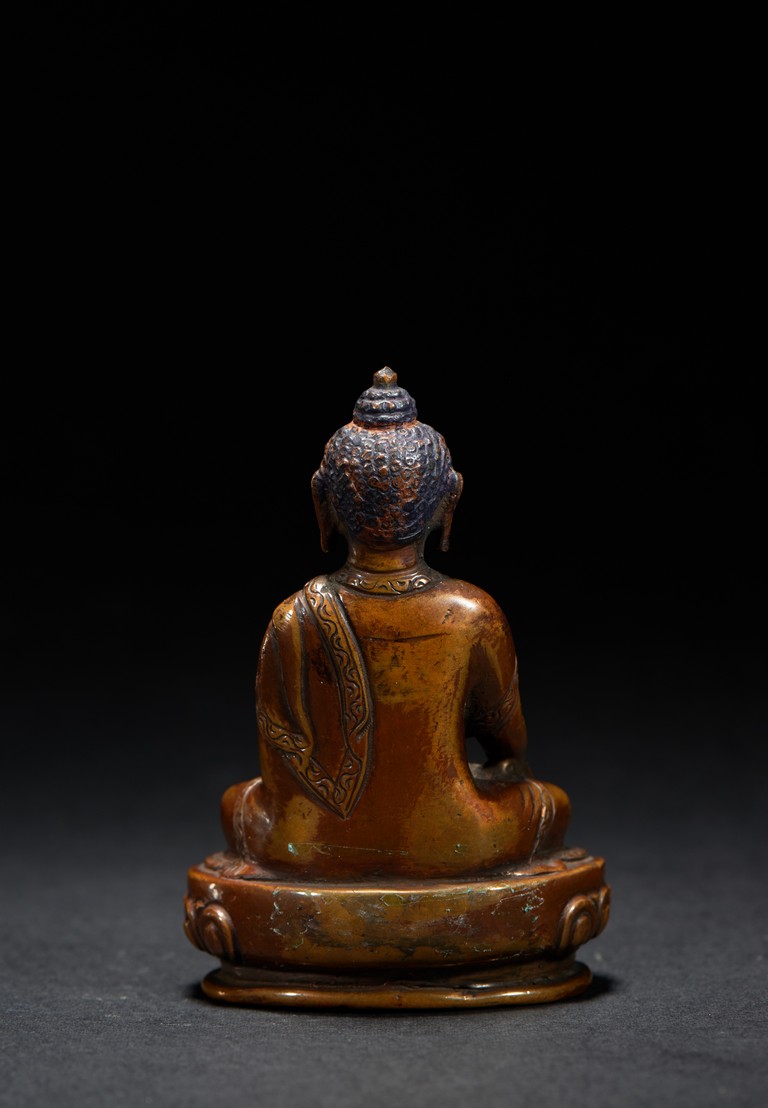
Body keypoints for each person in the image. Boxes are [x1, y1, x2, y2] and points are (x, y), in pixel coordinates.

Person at [221, 368, 570, 879]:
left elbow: (279, 772)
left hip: (310, 844)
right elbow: (506, 739)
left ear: (322, 501)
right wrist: (502, 765)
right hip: (455, 840)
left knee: (236, 802)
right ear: (450, 498)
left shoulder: (291, 616)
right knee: (549, 802)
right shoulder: (472, 614)